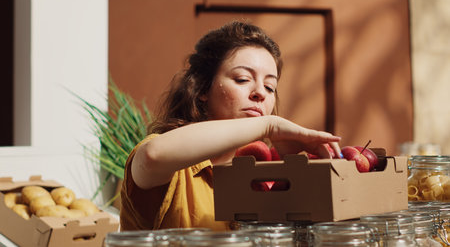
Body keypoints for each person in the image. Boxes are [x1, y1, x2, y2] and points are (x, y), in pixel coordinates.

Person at [119, 20, 342, 231]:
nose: (260, 94)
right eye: (243, 79)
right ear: (203, 89)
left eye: (270, 87)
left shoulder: (269, 175)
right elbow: (152, 156)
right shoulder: (177, 172)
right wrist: (269, 125)